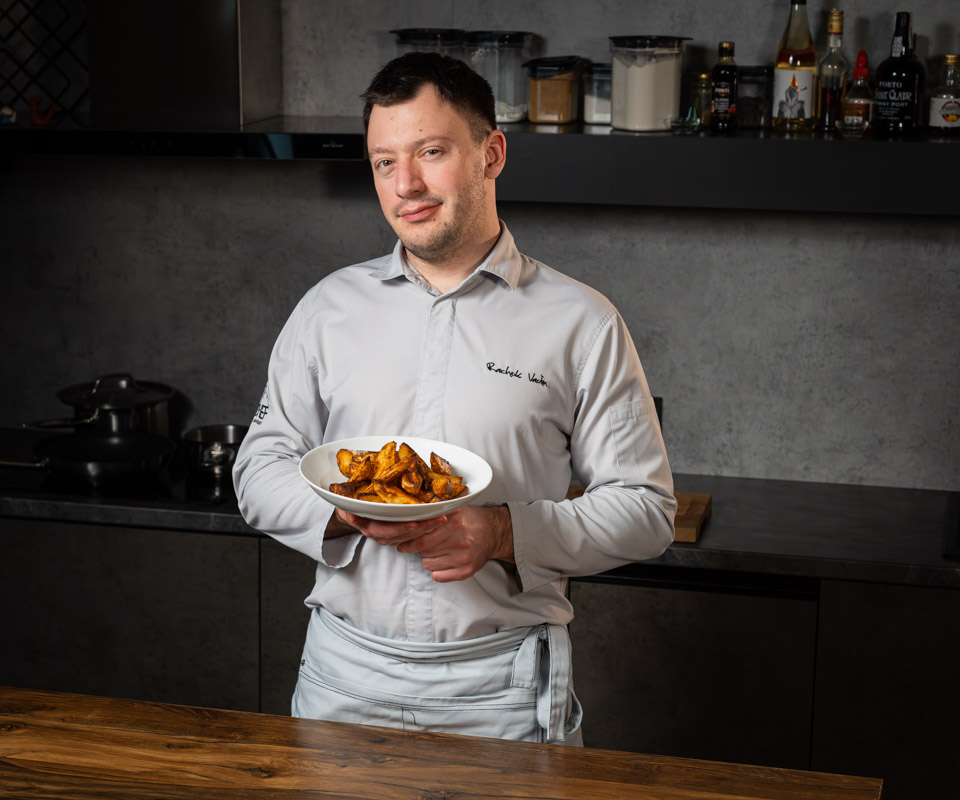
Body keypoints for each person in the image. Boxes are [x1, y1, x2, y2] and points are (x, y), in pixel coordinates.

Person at [232, 52, 675, 745]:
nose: (405, 184)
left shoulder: (582, 321)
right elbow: (258, 472)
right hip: (344, 675)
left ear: (491, 153)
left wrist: (500, 532)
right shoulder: (327, 310)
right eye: (383, 162)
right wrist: (349, 513)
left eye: (430, 151)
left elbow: (647, 511)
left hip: (497, 688)